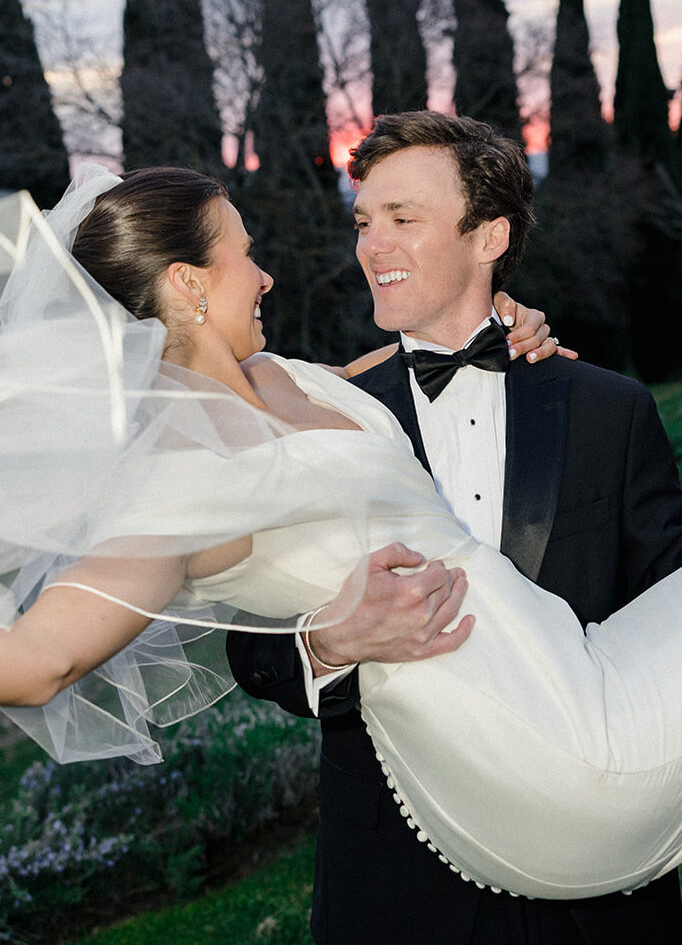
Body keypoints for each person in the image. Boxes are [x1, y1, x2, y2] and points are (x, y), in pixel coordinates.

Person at [2, 160, 682, 916]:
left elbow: (430, 350)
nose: (265, 277)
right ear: (188, 282)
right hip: (537, 756)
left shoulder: (295, 378)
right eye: (244, 254)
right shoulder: (178, 482)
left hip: (577, 677)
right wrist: (328, 639)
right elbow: (36, 664)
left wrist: (514, 320)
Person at [226, 112, 682, 944]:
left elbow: (666, 638)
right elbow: (247, 640)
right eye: (364, 222)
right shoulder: (324, 421)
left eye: (404, 220)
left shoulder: (608, 412)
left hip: (593, 896)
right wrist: (327, 645)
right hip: (395, 885)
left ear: (489, 237)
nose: (371, 245)